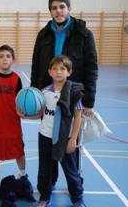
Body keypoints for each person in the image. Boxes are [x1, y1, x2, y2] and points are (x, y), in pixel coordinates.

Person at [30, 0, 98, 195]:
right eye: (54, 8)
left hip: (72, 96)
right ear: (50, 11)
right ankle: (49, 183)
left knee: (71, 144)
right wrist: (36, 97)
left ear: (69, 9)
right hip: (49, 95)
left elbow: (92, 67)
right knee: (48, 139)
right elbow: (36, 66)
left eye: (61, 7)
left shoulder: (84, 34)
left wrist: (89, 101)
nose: (58, 11)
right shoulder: (43, 35)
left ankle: (75, 185)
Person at [21, 56, 85, 207]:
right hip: (45, 136)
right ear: (49, 72)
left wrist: (73, 139)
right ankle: (44, 196)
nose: (58, 72)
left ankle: (77, 198)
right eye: (55, 68)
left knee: (71, 170)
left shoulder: (73, 93)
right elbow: (41, 114)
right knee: (45, 168)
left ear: (69, 72)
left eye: (63, 69)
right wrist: (25, 116)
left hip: (65, 138)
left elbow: (78, 117)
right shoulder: (44, 93)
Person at [0, 45, 32, 200]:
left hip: (12, 122)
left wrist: (20, 112)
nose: (4, 59)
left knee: (18, 151)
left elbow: (21, 100)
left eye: (8, 56)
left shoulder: (16, 79)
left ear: (13, 60)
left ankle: (23, 176)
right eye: (1, 56)